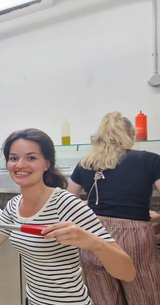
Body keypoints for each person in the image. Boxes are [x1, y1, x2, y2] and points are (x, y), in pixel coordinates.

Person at [0, 128, 135, 305]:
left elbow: (127, 272)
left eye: (31, 158)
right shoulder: (13, 206)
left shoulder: (65, 204)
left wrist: (92, 242)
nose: (20, 165)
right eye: (13, 158)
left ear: (47, 163)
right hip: (33, 299)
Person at [67, 112, 160, 305]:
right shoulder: (150, 160)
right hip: (135, 238)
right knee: (144, 296)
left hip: (93, 235)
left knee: (104, 299)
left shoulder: (85, 163)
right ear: (131, 134)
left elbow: (69, 202)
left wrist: (92, 206)